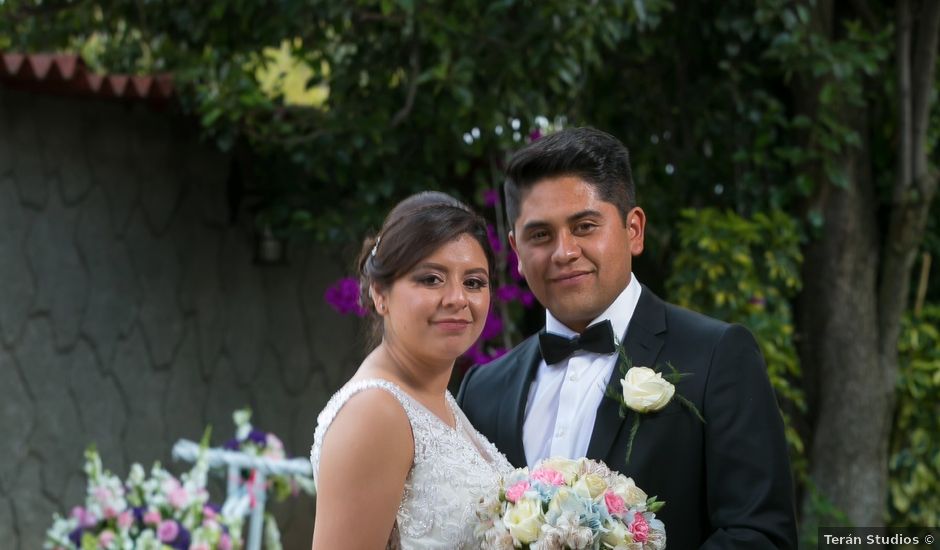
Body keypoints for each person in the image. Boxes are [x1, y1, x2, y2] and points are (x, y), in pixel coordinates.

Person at [458, 127, 798, 549]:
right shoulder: (482, 390)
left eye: (584, 226)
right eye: (540, 235)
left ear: (633, 230)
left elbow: (761, 535)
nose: (563, 251)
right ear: (516, 252)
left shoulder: (717, 357)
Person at [309, 192, 512, 549]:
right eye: (431, 279)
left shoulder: (437, 400)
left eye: (474, 282)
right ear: (380, 293)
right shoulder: (374, 413)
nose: (457, 299)